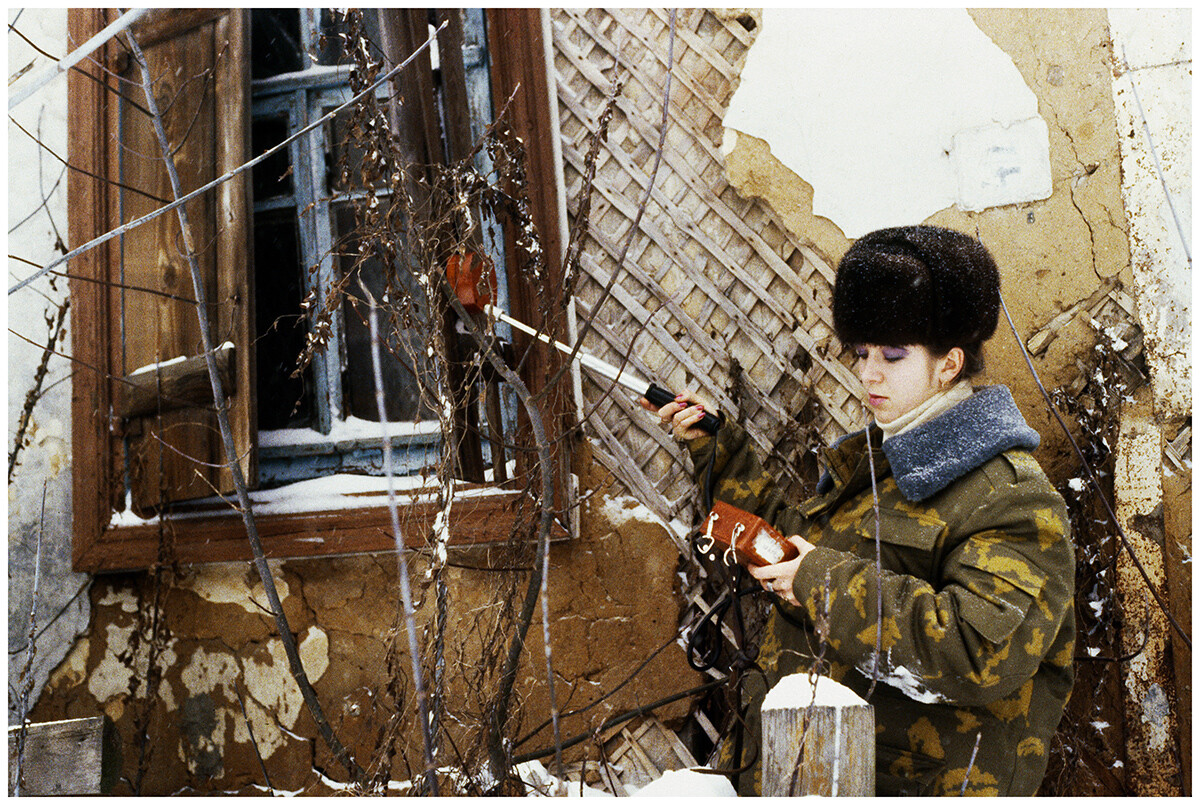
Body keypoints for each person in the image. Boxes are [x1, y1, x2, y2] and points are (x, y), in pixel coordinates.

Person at [645, 225, 1074, 796]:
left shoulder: (1010, 498)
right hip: (806, 767)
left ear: (948, 364)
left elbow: (977, 652)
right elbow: (792, 550)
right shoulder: (879, 464)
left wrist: (821, 583)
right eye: (862, 352)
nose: (868, 373)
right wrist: (717, 451)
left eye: (892, 355)